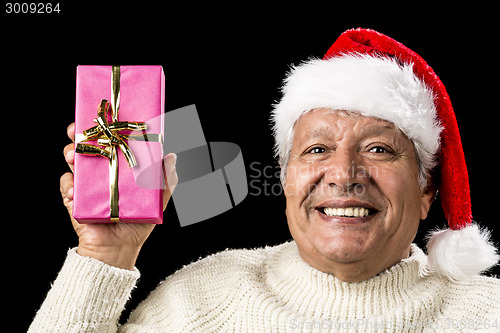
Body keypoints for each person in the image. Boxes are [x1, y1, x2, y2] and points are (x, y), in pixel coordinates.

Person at [30, 28, 500, 332]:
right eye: (316, 150)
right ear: (286, 180)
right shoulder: (201, 297)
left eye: (378, 149)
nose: (343, 175)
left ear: (425, 192)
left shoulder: (486, 315)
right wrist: (106, 256)